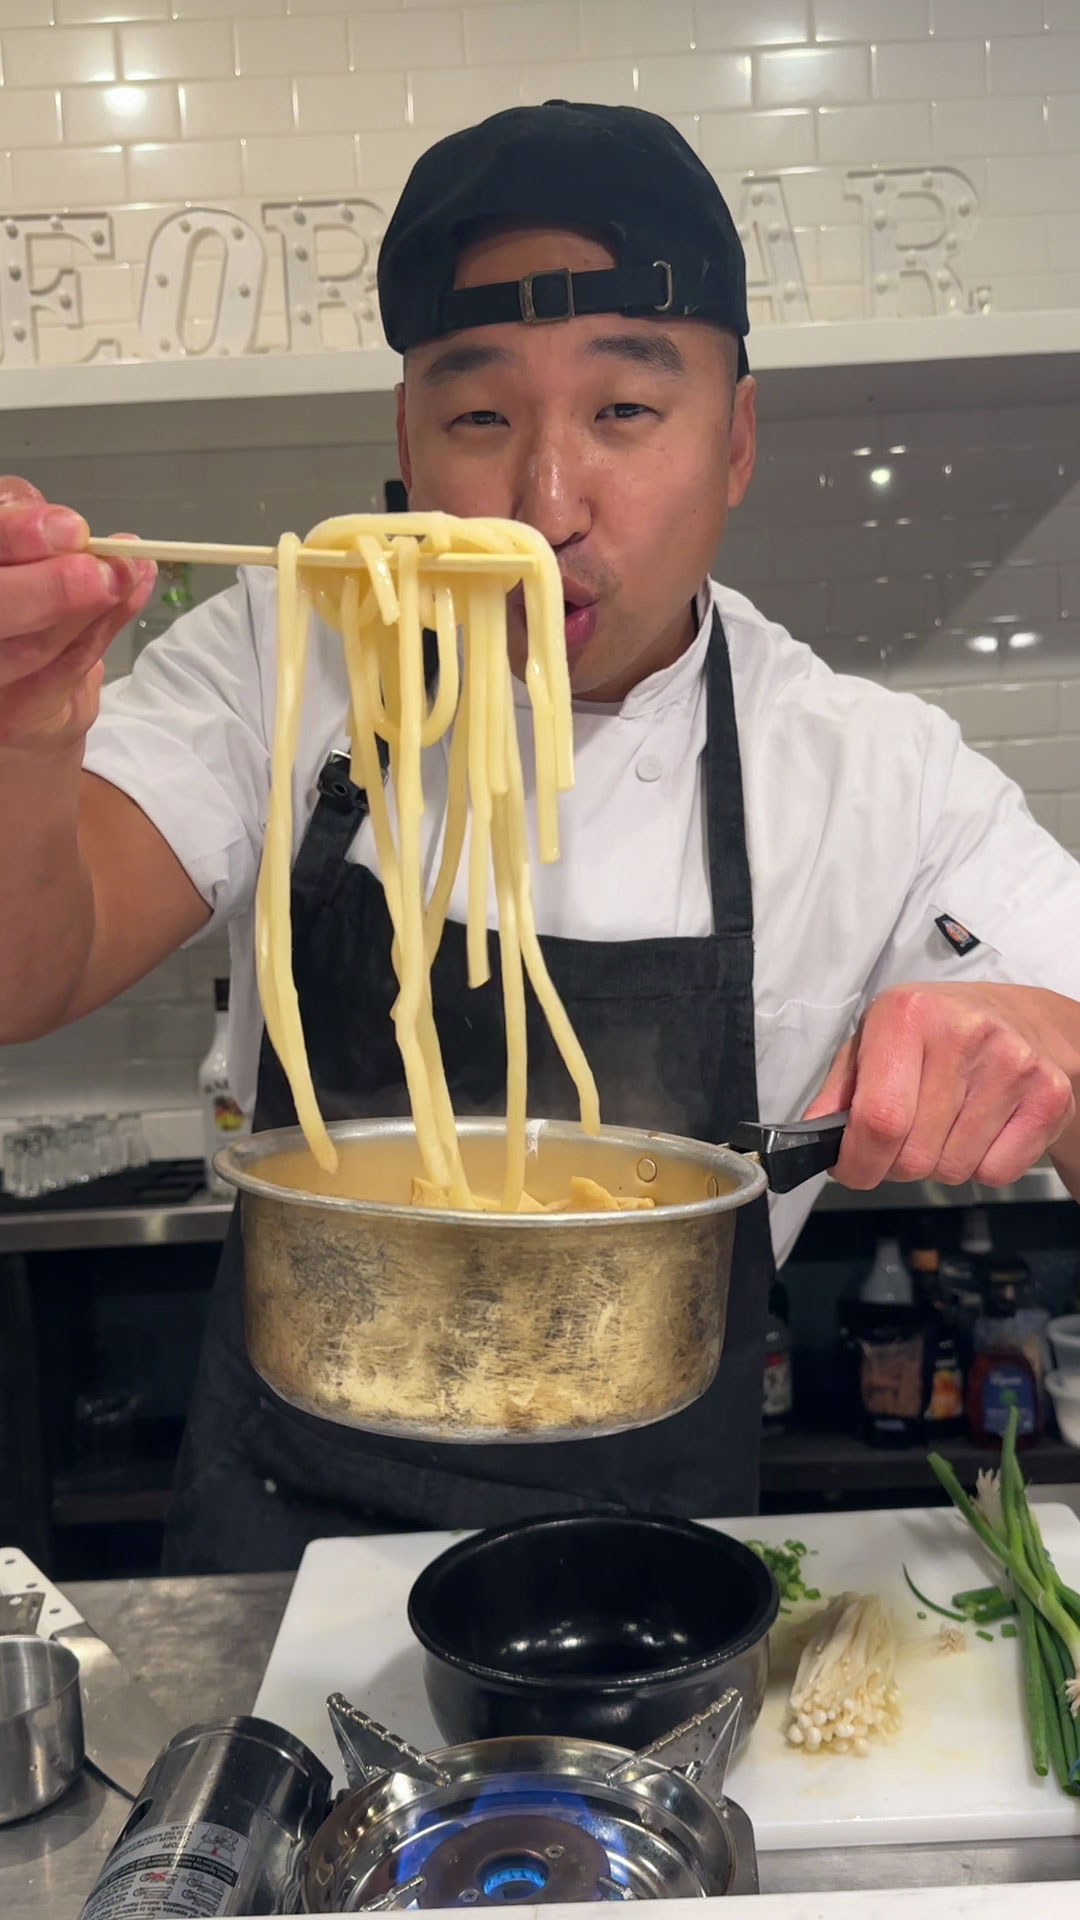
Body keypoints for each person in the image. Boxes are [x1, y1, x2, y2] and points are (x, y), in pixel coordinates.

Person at [2, 103, 1079, 1574]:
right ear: (405, 438)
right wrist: (22, 740)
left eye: (626, 413)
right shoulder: (290, 658)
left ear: (737, 439)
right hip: (275, 1559)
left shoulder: (865, 772)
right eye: (480, 416)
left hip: (657, 1579)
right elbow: (25, 973)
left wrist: (1048, 1049)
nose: (545, 504)